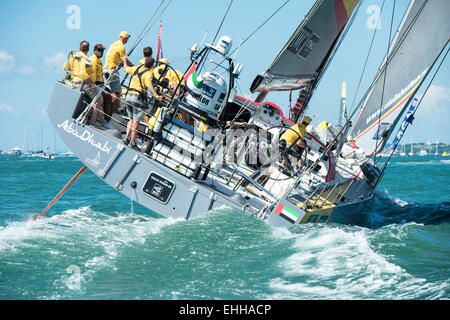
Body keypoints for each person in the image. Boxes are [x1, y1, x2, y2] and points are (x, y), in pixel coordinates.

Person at [122, 56, 161, 149]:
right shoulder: (149, 74)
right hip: (136, 98)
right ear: (152, 66)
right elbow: (149, 85)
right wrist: (156, 95)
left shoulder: (137, 68)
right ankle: (132, 142)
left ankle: (127, 138)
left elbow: (126, 69)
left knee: (131, 119)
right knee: (136, 121)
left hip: (128, 96)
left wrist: (125, 61)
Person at [63, 40, 103, 127]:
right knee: (99, 98)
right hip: (83, 83)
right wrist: (92, 84)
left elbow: (65, 67)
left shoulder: (73, 56)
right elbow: (83, 74)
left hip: (74, 82)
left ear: (79, 48)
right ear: (88, 49)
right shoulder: (85, 59)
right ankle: (93, 120)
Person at [104, 31, 130, 122]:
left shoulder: (113, 44)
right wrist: (134, 67)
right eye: (127, 38)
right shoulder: (122, 47)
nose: (127, 40)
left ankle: (109, 110)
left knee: (109, 91)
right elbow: (125, 61)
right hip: (112, 70)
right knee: (117, 93)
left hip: (106, 69)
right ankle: (113, 112)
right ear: (124, 38)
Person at [89, 44, 112, 129]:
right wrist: (93, 84)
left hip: (100, 83)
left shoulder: (98, 60)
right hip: (95, 83)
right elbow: (92, 75)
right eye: (99, 50)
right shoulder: (93, 60)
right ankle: (105, 120)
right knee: (108, 96)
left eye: (102, 50)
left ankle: (105, 118)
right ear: (94, 51)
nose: (101, 52)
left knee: (112, 95)